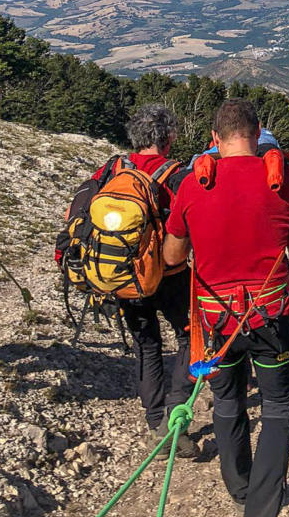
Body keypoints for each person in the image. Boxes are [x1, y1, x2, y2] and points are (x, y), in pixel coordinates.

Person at [164, 98, 289, 517]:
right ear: (258, 131)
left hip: (214, 318)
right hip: (269, 315)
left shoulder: (192, 183)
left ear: (214, 137)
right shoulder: (283, 177)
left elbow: (171, 256)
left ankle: (241, 487)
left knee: (227, 401)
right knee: (278, 409)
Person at [56, 103, 197, 457]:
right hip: (171, 275)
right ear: (169, 138)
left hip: (123, 276)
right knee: (190, 335)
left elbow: (74, 214)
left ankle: (154, 421)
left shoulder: (112, 169)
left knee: (146, 345)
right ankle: (174, 418)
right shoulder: (178, 175)